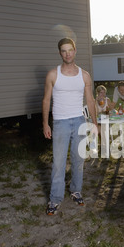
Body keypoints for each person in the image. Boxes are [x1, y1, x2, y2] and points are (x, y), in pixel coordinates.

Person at [42, 37, 98, 215]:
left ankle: (76, 190)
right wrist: (45, 123)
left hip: (80, 121)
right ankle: (55, 199)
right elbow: (46, 100)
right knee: (58, 163)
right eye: (63, 51)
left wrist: (95, 123)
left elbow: (90, 100)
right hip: (60, 123)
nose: (67, 53)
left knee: (78, 160)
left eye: (70, 50)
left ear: (75, 51)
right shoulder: (53, 74)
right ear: (60, 53)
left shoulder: (84, 75)